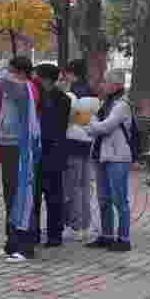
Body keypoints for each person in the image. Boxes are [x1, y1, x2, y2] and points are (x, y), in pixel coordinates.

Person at [0, 57, 41, 262]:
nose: (8, 75)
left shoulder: (26, 89)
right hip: (8, 144)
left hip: (20, 147)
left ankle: (24, 246)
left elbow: (3, 80)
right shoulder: (16, 86)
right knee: (9, 196)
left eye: (12, 71)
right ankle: (11, 243)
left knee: (20, 196)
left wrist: (3, 68)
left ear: (21, 73)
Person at [85, 69, 135, 252]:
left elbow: (105, 127)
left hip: (117, 157)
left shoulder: (122, 105)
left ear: (117, 85)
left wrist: (91, 125)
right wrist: (93, 124)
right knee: (103, 198)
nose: (102, 85)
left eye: (105, 82)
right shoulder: (105, 103)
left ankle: (124, 238)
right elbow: (96, 123)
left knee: (119, 199)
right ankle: (106, 235)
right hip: (101, 155)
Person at [33, 63, 72, 247]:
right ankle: (37, 233)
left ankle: (53, 235)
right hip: (45, 152)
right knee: (38, 195)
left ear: (45, 79)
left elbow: (53, 126)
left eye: (37, 76)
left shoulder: (60, 99)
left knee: (52, 196)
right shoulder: (41, 96)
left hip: (51, 151)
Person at [62, 59, 94, 241]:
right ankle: (86, 225)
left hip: (72, 142)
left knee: (72, 187)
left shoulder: (72, 95)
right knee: (84, 187)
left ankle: (75, 225)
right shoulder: (92, 93)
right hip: (87, 142)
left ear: (71, 73)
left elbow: (68, 119)